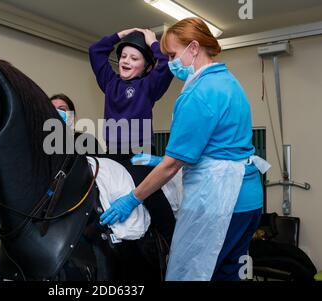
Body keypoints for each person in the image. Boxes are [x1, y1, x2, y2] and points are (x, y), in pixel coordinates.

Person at [100, 17, 271, 281]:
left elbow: (172, 165)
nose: (170, 62)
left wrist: (133, 198)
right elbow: (220, 145)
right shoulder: (228, 80)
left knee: (196, 272)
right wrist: (159, 158)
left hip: (222, 200)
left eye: (172, 54)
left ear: (193, 48)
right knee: (229, 272)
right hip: (248, 198)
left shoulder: (199, 92)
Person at [89, 28, 173, 163]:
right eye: (123, 56)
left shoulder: (148, 86)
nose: (126, 61)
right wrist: (120, 35)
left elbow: (166, 63)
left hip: (141, 152)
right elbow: (95, 50)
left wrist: (153, 43)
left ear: (147, 67)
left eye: (134, 58)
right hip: (113, 151)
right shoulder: (110, 83)